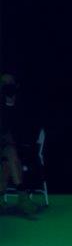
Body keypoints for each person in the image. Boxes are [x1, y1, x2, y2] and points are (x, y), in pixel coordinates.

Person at [0, 72, 40, 217]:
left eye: (9, 83)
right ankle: (23, 197)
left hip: (19, 147)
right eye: (3, 83)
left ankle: (18, 198)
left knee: (9, 159)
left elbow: (27, 129)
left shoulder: (24, 105)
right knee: (9, 155)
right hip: (5, 146)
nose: (6, 86)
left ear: (16, 85)